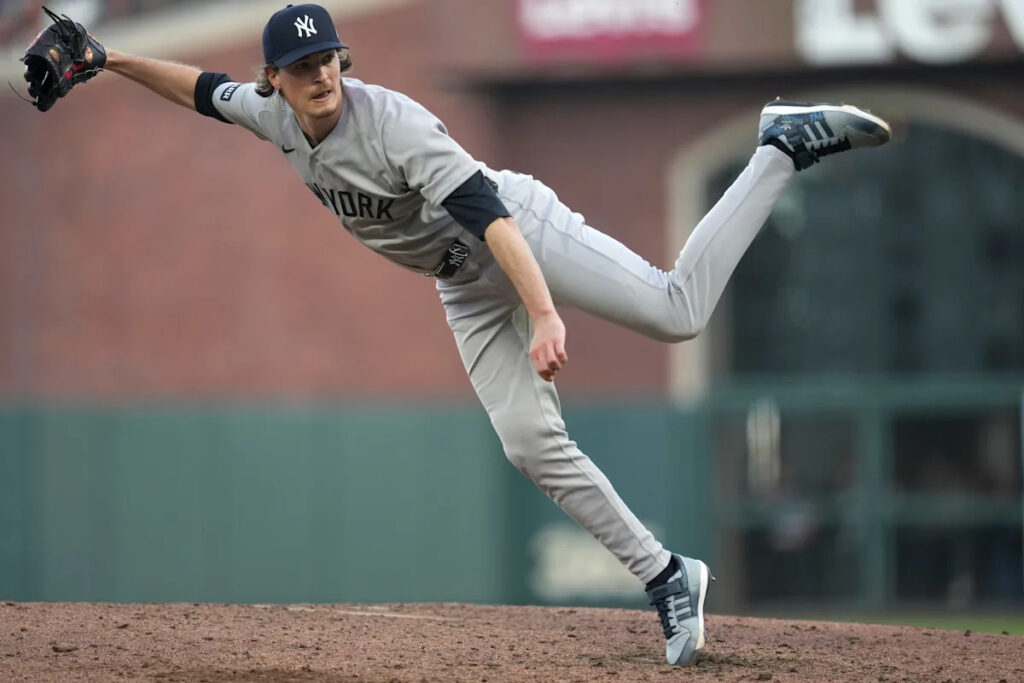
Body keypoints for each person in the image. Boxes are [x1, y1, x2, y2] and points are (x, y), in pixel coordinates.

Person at [47, 3, 890, 666]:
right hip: (462, 283)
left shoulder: (395, 125)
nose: (320, 75)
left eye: (328, 58)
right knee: (528, 443)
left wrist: (547, 311)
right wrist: (106, 59)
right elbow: (201, 90)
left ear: (343, 59)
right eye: (301, 67)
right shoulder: (271, 114)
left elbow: (490, 216)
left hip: (517, 232)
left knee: (676, 313)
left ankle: (780, 147)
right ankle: (669, 575)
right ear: (274, 80)